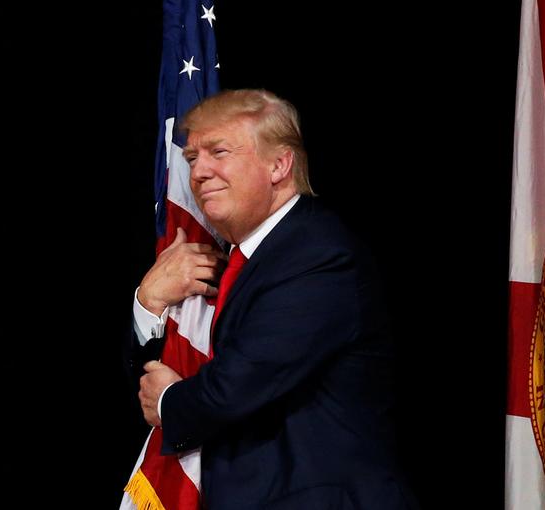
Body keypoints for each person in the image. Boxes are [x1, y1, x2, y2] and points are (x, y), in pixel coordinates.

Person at [124, 89, 416, 509]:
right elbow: (152, 379)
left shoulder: (318, 254)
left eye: (218, 152)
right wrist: (149, 299)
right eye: (191, 159)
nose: (199, 172)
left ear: (279, 165)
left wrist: (170, 402)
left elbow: (236, 386)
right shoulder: (233, 261)